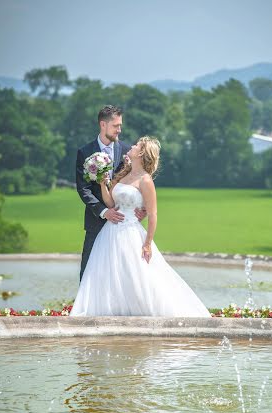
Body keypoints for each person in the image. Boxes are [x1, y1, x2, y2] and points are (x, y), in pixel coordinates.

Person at [70, 136, 210, 318]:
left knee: (136, 277)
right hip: (110, 232)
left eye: (137, 145)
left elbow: (153, 214)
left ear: (142, 153)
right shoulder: (124, 174)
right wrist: (103, 183)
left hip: (131, 232)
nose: (132, 146)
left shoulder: (146, 181)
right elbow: (111, 203)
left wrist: (147, 243)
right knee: (110, 275)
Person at [76, 105, 146, 280]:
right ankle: (86, 307)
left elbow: (141, 180)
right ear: (103, 125)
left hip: (124, 224)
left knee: (124, 273)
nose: (119, 130)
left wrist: (143, 207)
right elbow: (83, 189)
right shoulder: (84, 152)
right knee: (88, 272)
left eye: (120, 125)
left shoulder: (127, 151)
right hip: (96, 221)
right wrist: (104, 211)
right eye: (116, 126)